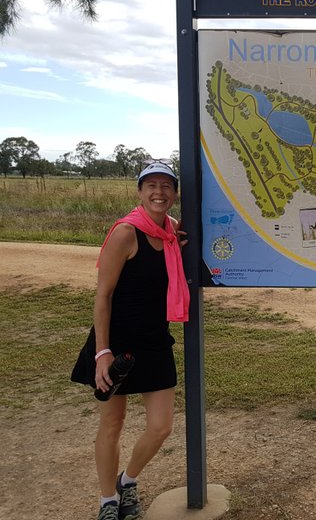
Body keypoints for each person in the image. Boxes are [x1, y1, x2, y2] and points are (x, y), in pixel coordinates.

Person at [71, 161, 189, 520]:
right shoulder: (125, 232)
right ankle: (108, 500)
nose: (159, 192)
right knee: (112, 424)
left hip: (154, 340)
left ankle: (128, 480)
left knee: (161, 427)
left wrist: (178, 244)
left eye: (166, 186)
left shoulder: (172, 231)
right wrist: (102, 352)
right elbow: (103, 296)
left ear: (174, 193)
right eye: (151, 185)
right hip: (116, 343)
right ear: (139, 192)